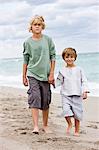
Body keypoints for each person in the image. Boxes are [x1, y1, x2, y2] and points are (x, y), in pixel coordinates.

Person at [23, 15, 56, 134]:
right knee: (35, 98)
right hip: (32, 73)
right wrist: (24, 76)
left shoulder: (48, 40)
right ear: (31, 27)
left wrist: (51, 73)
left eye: (39, 24)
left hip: (46, 75)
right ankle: (36, 126)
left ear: (42, 26)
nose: (37, 26)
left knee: (46, 100)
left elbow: (53, 57)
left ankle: (45, 125)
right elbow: (26, 60)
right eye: (35, 24)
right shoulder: (27, 42)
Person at [56, 47, 89, 136]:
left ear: (75, 57)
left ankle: (77, 130)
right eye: (67, 57)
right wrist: (52, 83)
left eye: (71, 57)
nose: (69, 59)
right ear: (64, 58)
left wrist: (85, 91)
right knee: (66, 111)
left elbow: (84, 80)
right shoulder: (62, 70)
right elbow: (59, 81)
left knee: (77, 114)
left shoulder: (79, 69)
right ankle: (69, 124)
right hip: (65, 94)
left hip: (77, 94)